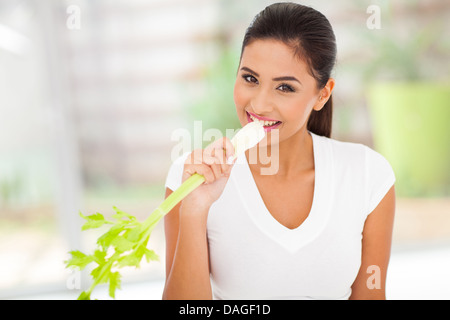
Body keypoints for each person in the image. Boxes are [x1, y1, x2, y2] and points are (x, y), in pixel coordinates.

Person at [162, 2, 396, 300]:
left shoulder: (367, 174)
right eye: (250, 78)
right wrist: (194, 209)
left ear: (322, 94)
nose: (259, 105)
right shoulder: (191, 177)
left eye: (284, 87)